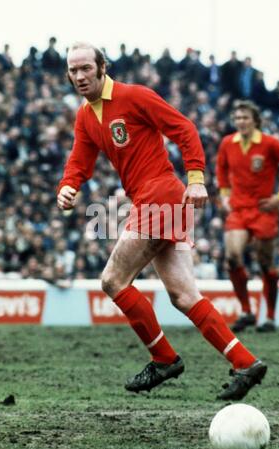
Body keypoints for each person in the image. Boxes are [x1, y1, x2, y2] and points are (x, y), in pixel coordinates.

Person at [57, 42, 267, 400]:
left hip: (161, 196)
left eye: (85, 69)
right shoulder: (84, 116)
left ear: (102, 68)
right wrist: (68, 185)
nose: (79, 76)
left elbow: (183, 128)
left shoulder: (133, 96)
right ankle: (244, 361)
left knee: (112, 280)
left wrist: (197, 179)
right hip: (158, 200)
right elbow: (80, 158)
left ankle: (164, 358)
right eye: (73, 71)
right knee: (184, 296)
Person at [216, 101, 279, 333]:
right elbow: (221, 170)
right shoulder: (228, 143)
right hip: (238, 209)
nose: (241, 122)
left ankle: (268, 316)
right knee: (232, 257)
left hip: (263, 209)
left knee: (265, 262)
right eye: (237, 118)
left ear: (255, 120)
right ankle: (247, 311)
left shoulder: (269, 143)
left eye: (245, 118)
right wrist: (225, 195)